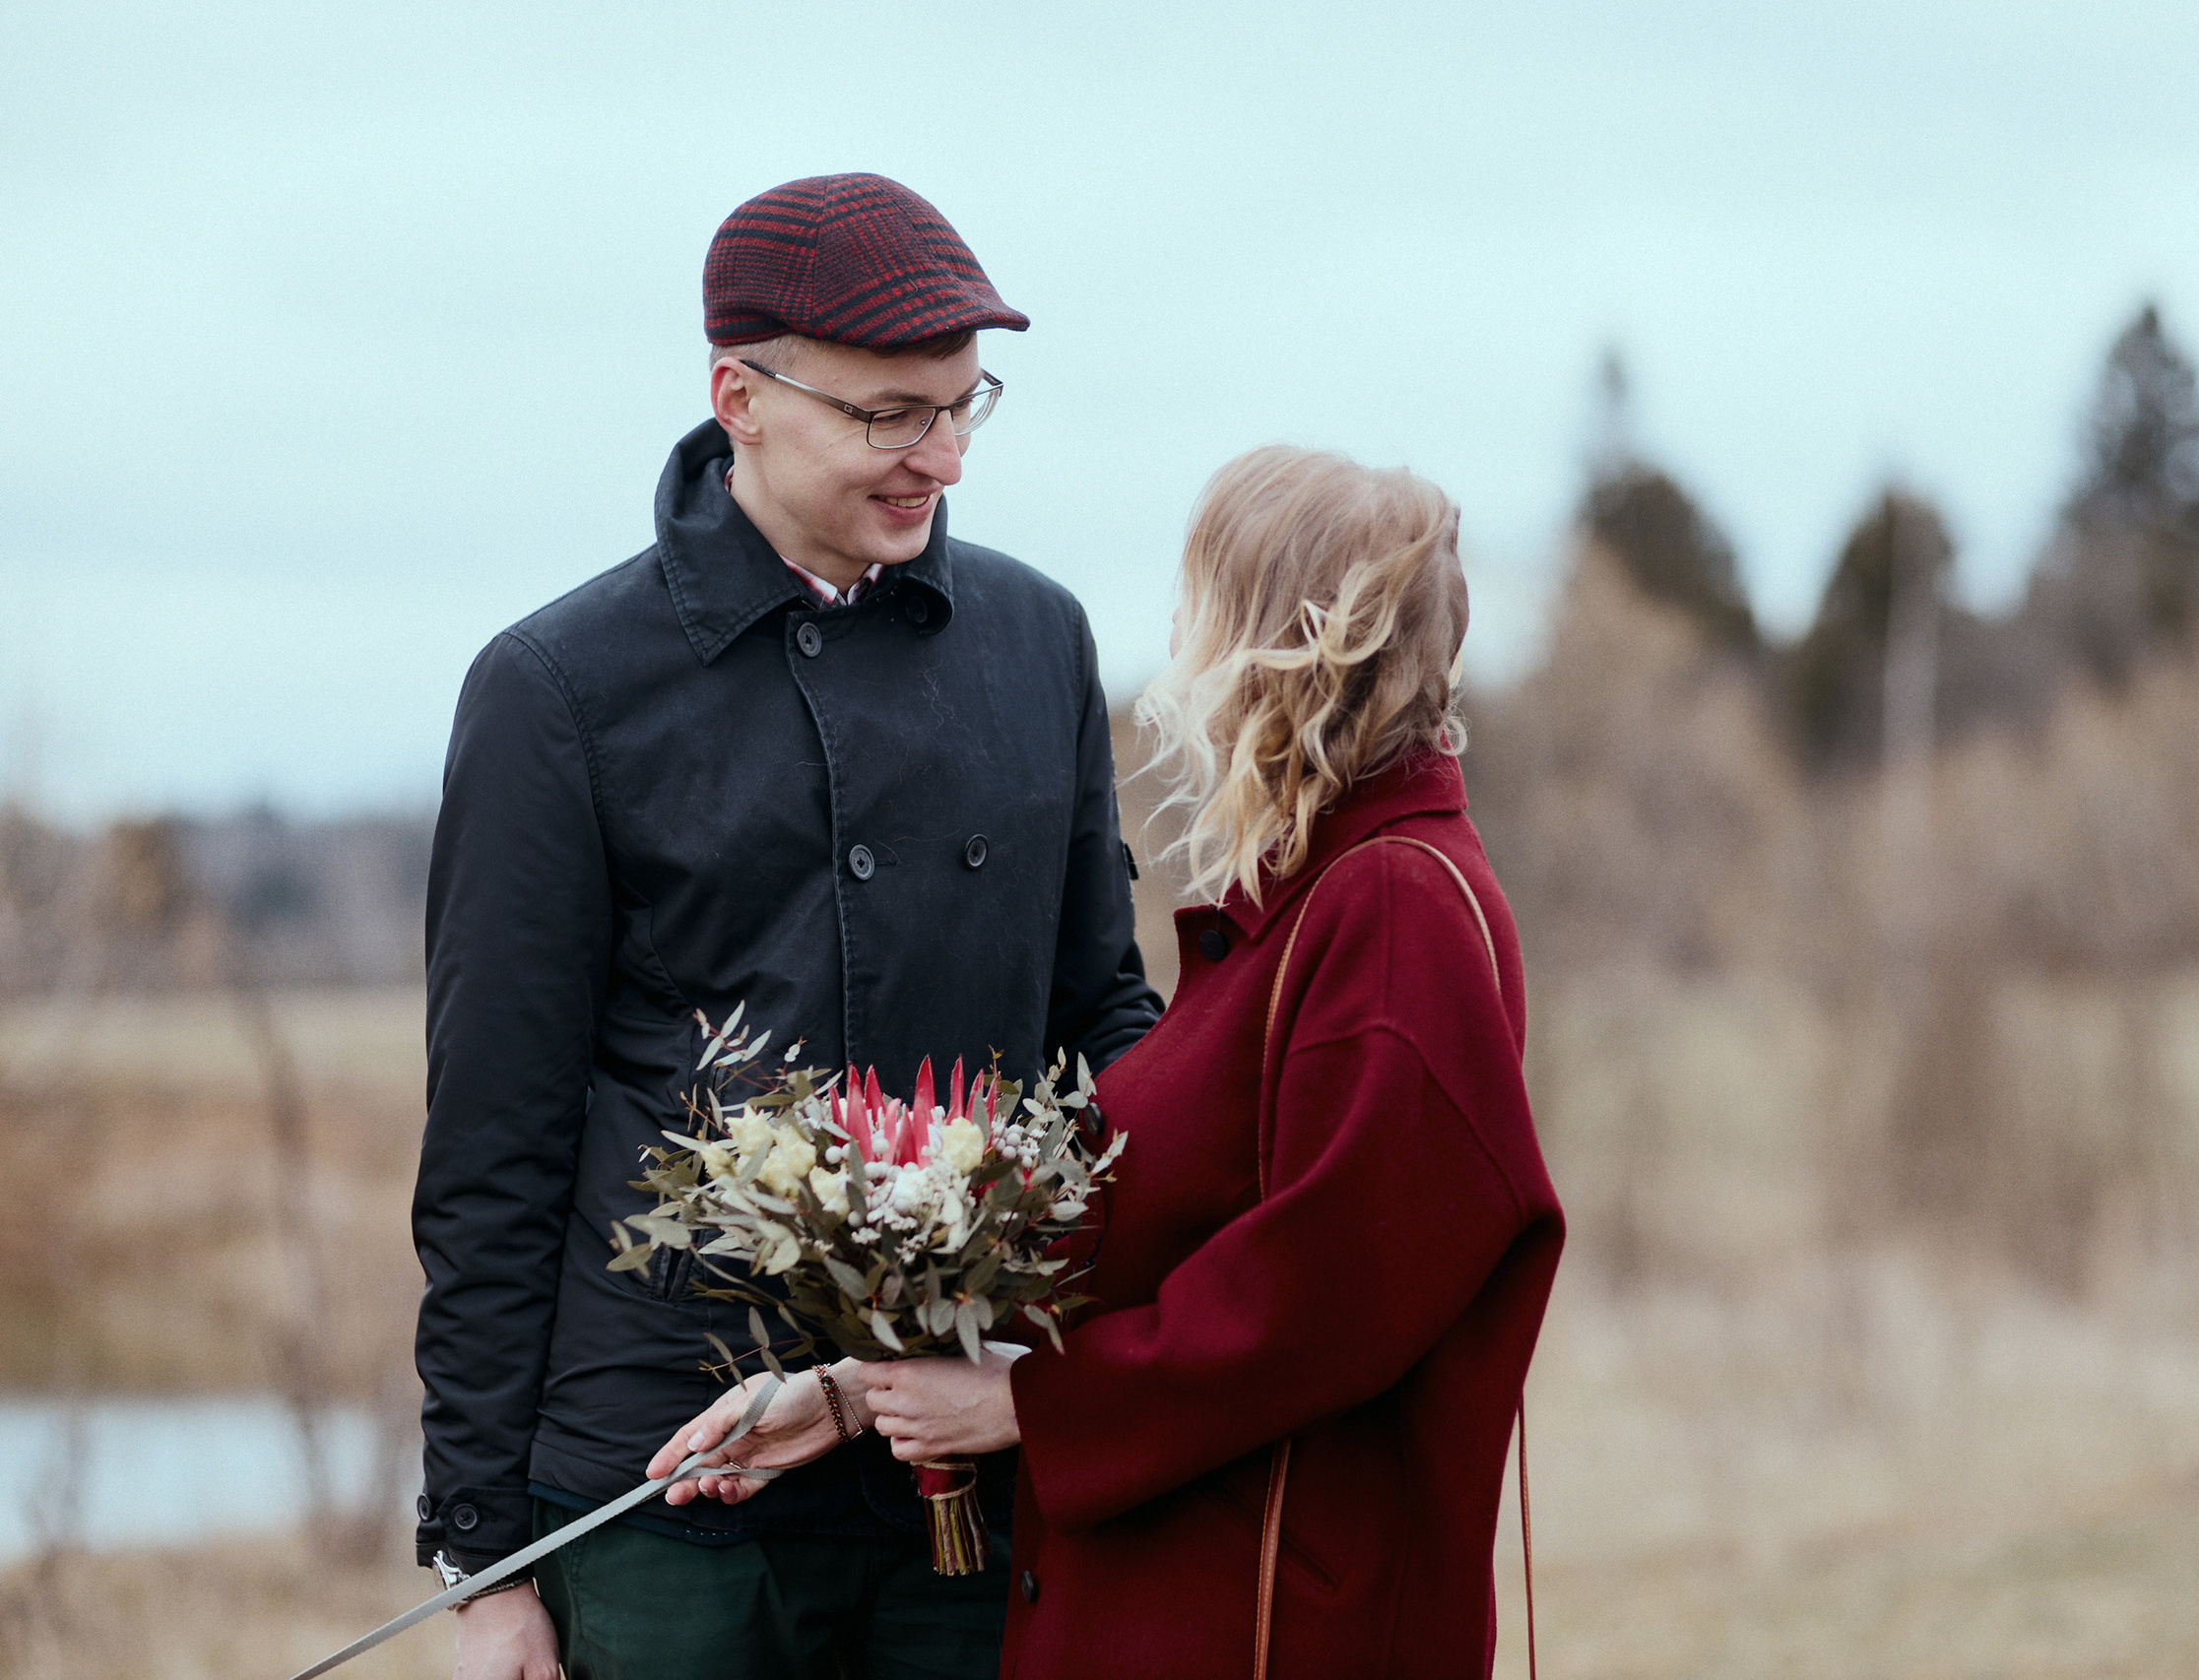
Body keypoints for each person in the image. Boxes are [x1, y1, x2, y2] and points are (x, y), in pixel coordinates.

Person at [414, 173, 1162, 1680]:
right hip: (661, 1493)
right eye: (891, 415)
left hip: (965, 1486)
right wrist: (485, 1561)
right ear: (737, 395)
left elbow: (1109, 1029)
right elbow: (493, 1146)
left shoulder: (1039, 641)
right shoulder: (559, 690)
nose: (940, 456)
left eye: (964, 406)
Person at [662, 445, 1564, 1679]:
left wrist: (1032, 1406)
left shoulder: (1396, 905)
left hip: (1272, 1622)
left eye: (1200, 605)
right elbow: (1170, 1242)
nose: (1181, 646)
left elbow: (1332, 1284)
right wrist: (860, 1391)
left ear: (1277, 638)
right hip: (1182, 1597)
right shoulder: (1311, 897)